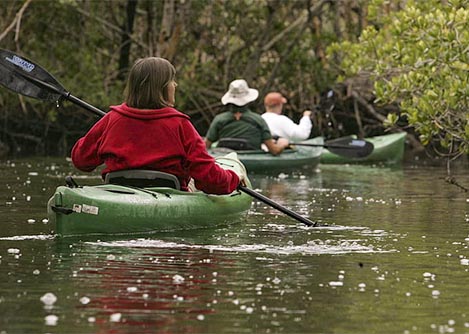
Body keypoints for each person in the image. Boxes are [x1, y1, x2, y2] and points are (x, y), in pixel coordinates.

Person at [71, 57, 244, 195]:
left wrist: (103, 131)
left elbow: (81, 160)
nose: (175, 85)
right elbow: (210, 180)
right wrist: (234, 178)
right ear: (161, 88)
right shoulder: (180, 124)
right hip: (170, 196)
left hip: (119, 192)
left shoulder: (112, 119)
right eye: (171, 81)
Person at [204, 79, 289, 155]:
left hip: (224, 158)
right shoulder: (258, 120)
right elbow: (274, 150)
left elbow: (205, 147)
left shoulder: (219, 120)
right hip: (254, 161)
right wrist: (282, 144)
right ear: (248, 100)